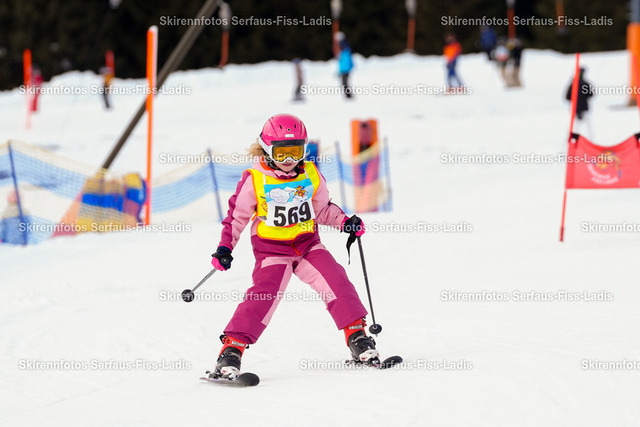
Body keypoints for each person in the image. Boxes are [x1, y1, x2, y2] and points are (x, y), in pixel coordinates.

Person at [208, 114, 378, 380]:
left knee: (336, 280)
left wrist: (345, 222)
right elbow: (236, 217)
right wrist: (225, 248)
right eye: (281, 153)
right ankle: (231, 351)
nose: (288, 160)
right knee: (263, 295)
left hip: (307, 245)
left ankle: (357, 337)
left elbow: (322, 209)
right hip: (272, 250)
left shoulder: (310, 174)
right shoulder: (256, 179)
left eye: (295, 152)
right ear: (267, 149)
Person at [335, 32, 354, 99]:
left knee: (344, 83)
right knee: (344, 83)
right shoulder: (345, 49)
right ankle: (348, 96)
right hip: (344, 69)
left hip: (345, 69)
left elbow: (345, 61)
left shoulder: (344, 49)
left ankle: (349, 96)